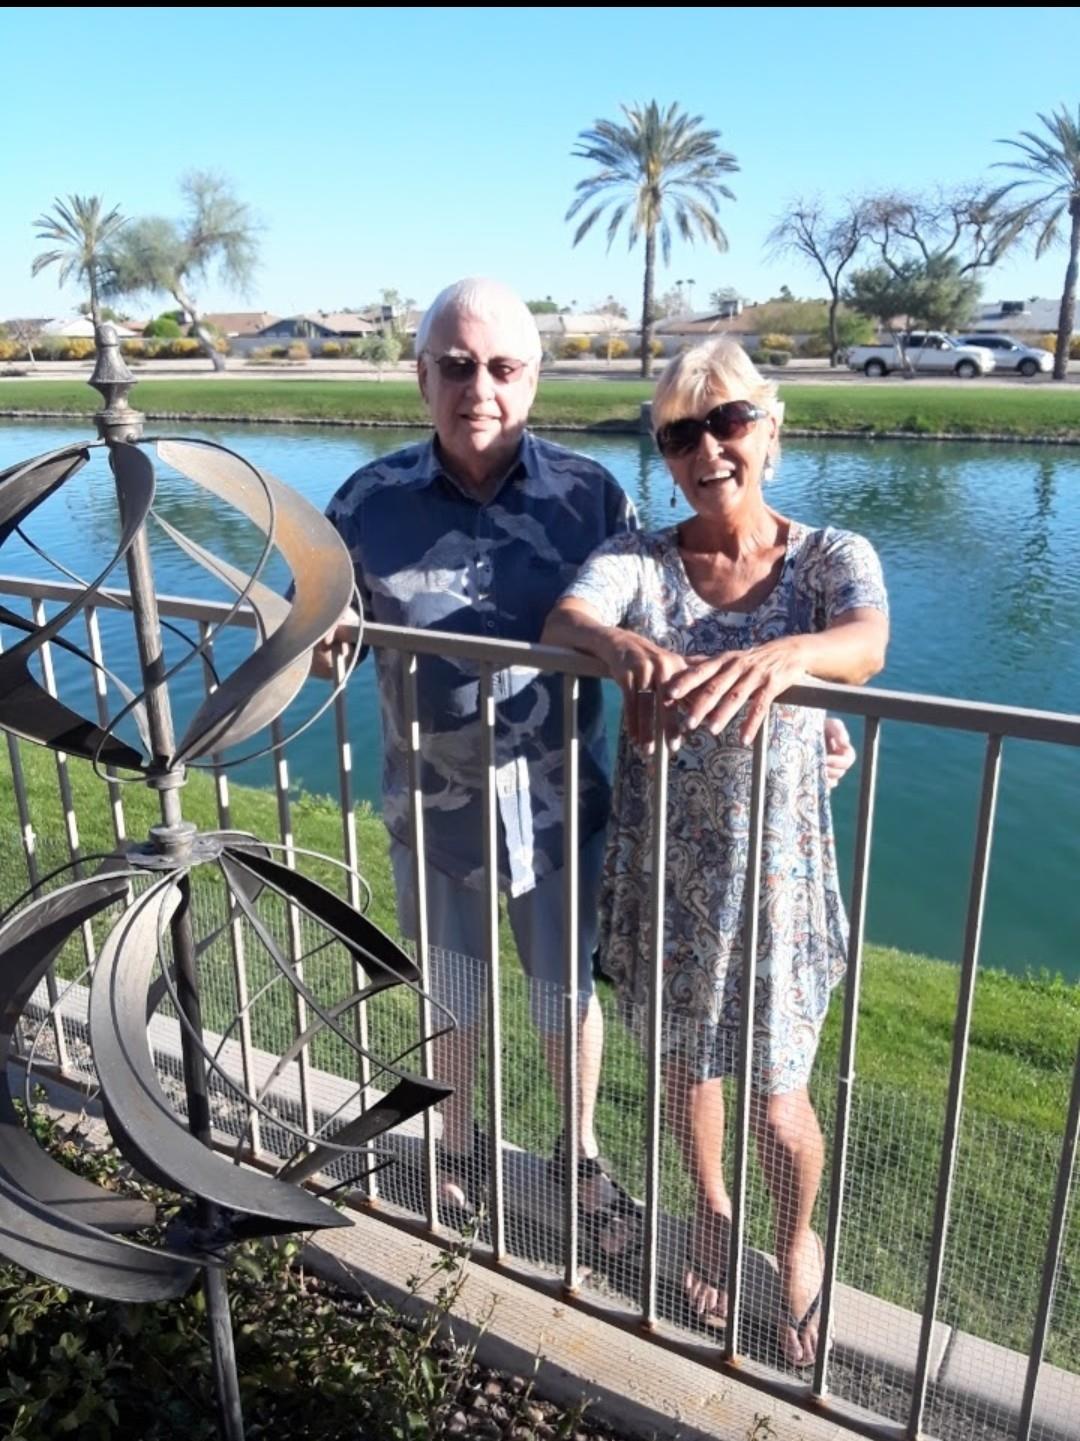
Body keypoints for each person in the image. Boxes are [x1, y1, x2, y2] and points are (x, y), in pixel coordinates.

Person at [541, 337, 888, 1364]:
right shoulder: (644, 561)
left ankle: (791, 1244)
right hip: (670, 873)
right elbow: (569, 613)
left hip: (778, 880)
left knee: (781, 1107)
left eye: (728, 421)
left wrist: (789, 660)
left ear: (770, 433)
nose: (709, 449)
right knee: (688, 1068)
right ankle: (709, 1212)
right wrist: (620, 647)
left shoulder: (828, 558)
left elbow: (867, 642)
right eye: (682, 433)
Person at [312, 278, 641, 1251]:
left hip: (556, 810)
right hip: (435, 804)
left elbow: (666, 616)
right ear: (421, 378)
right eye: (455, 366)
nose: (479, 389)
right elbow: (315, 603)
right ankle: (454, 1142)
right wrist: (319, 617)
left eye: (502, 367)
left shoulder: (595, 497)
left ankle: (576, 1154)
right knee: (450, 984)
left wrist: (788, 706)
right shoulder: (366, 503)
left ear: (534, 378)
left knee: (561, 990)